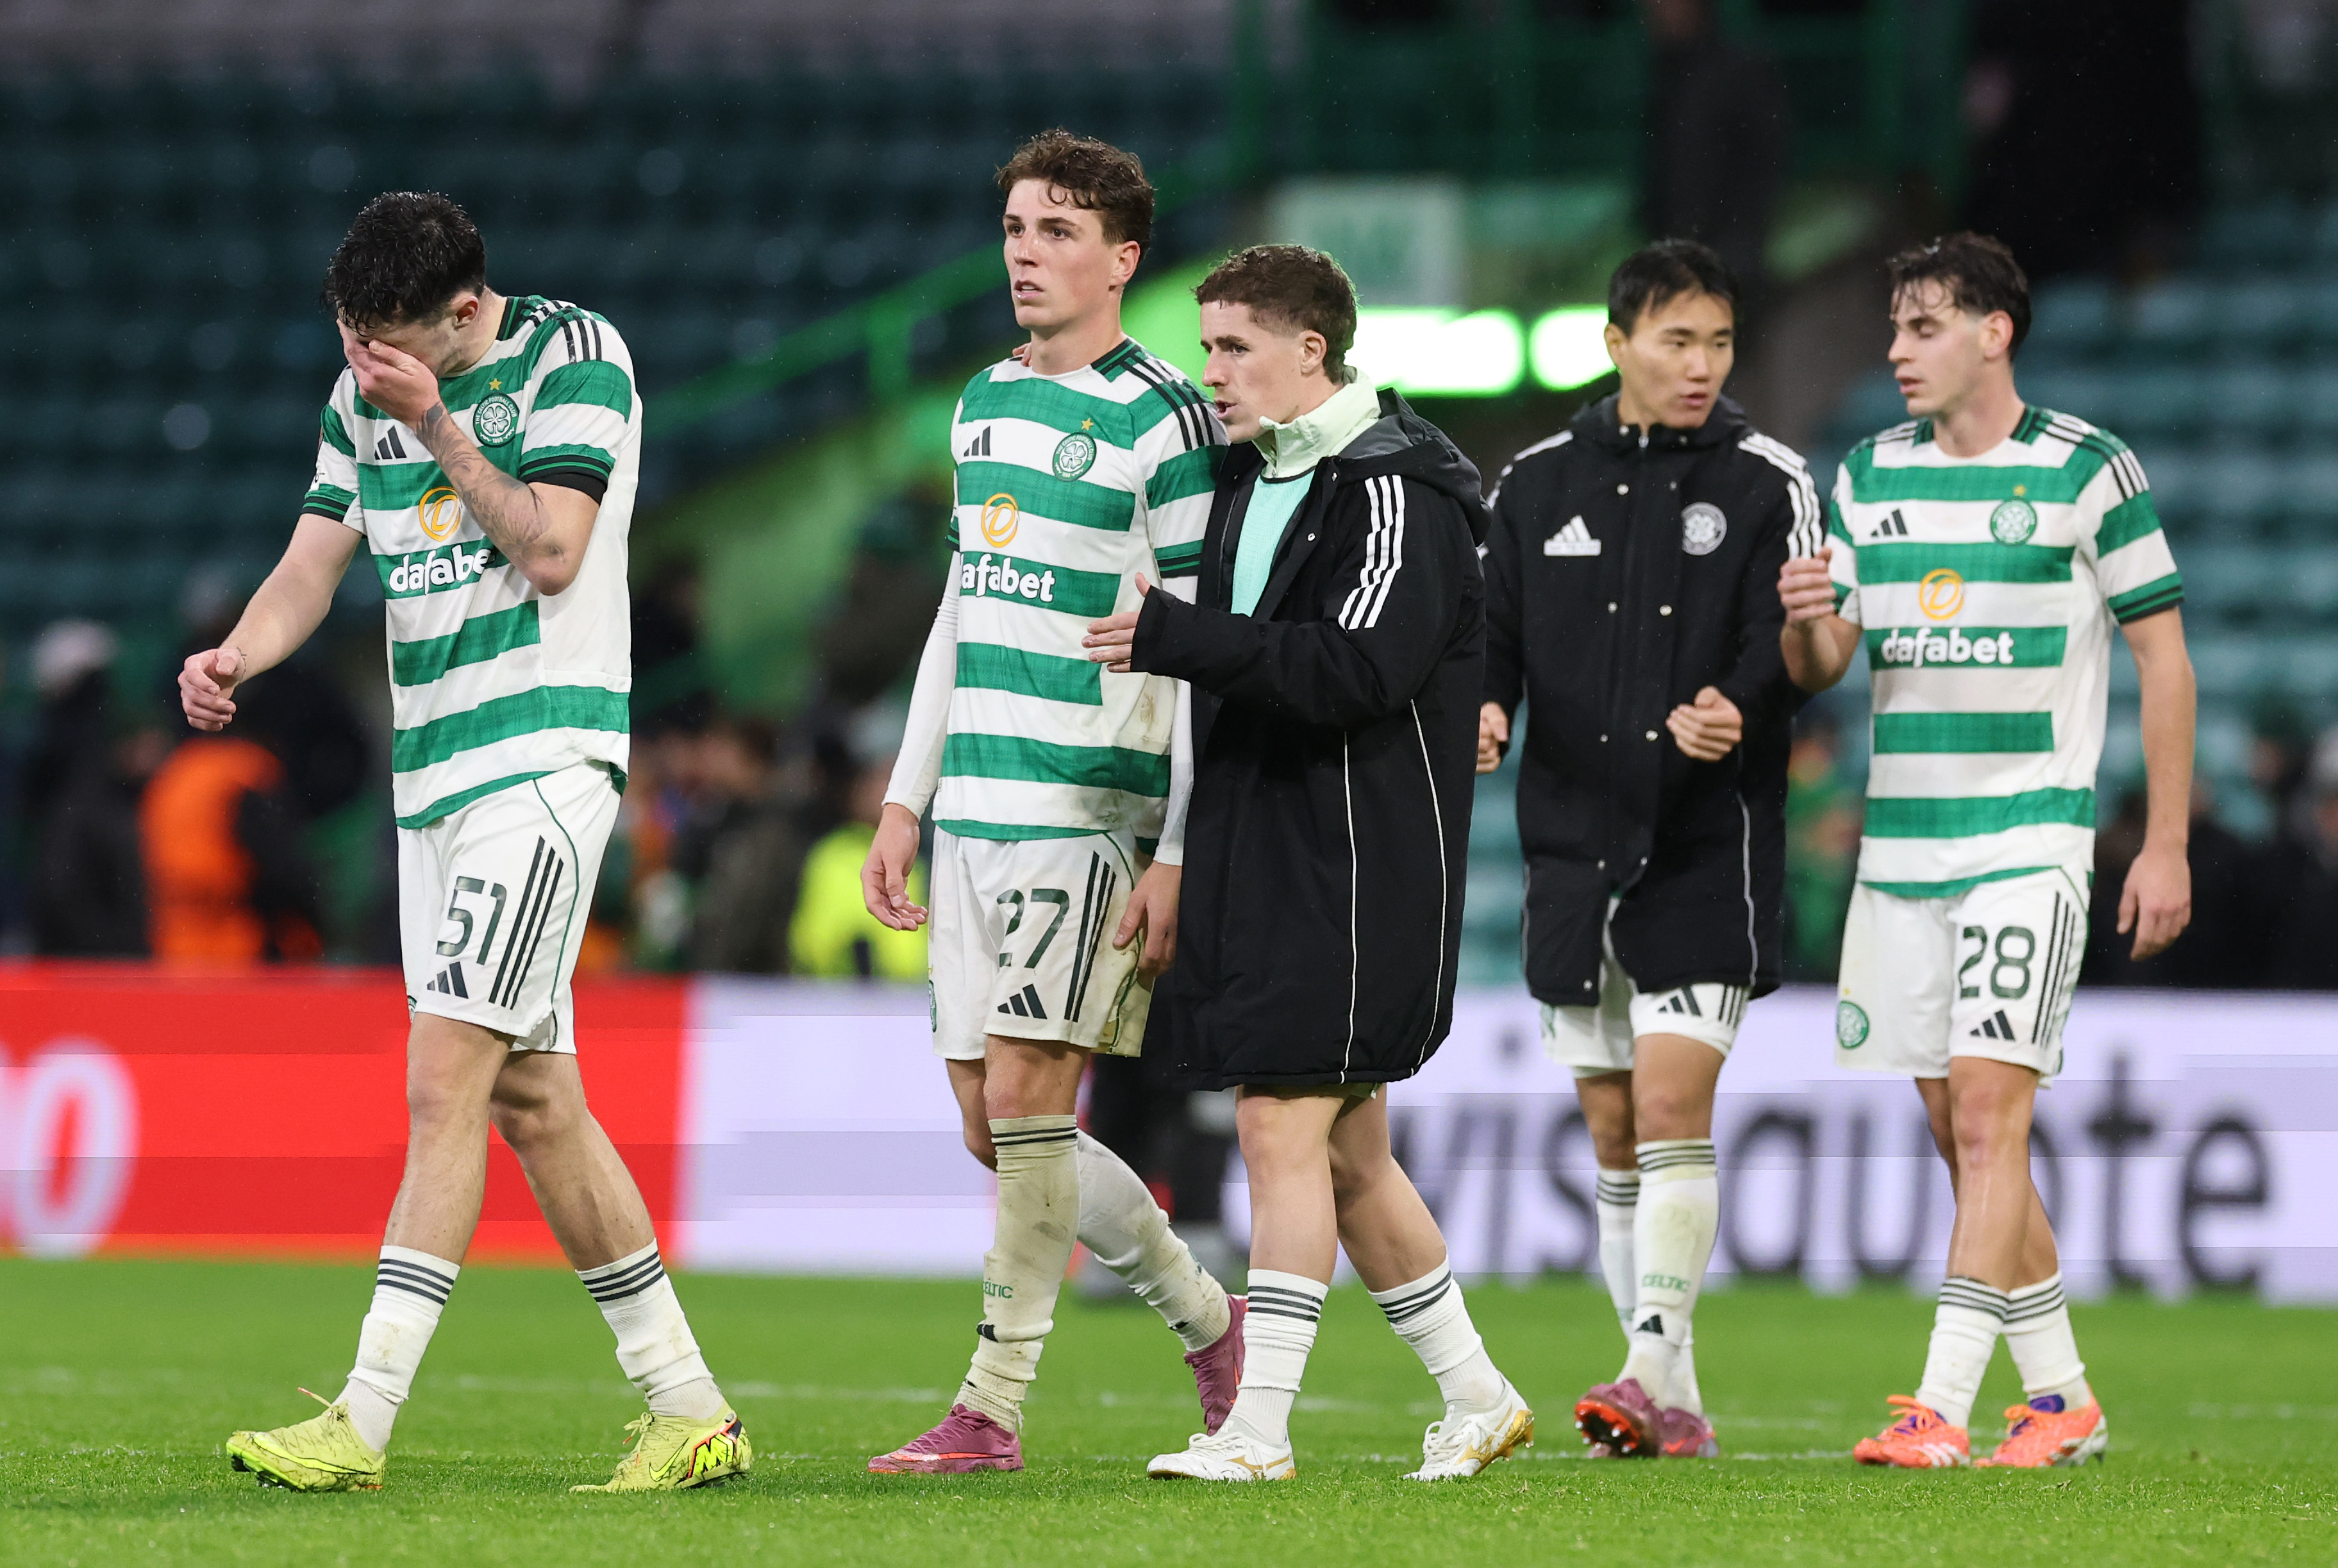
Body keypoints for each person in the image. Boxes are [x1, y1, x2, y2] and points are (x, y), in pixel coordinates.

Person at [188, 192, 749, 1493]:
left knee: (444, 1078)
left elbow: (554, 550)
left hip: (543, 759)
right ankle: (691, 1405)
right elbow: (313, 562)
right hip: (432, 777)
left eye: (387, 342)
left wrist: (434, 423)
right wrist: (240, 657)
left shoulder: (573, 359)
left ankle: (362, 1416)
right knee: (535, 1099)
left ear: (462, 310)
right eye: (347, 339)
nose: (361, 367)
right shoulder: (359, 399)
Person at [1086, 244, 1532, 1484]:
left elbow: (1359, 671)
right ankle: (1480, 1396)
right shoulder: (1254, 479)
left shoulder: (1398, 489)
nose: (1211, 372)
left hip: (1356, 861)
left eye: (1233, 347)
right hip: (1265, 847)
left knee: (1280, 1125)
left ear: (1310, 352)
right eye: (1208, 344)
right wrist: (1179, 847)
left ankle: (1259, 1430)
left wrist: (1176, 636)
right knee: (1348, 1154)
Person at [1778, 232, 2194, 1469]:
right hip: (1900, 853)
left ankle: (1938, 1406)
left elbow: (2162, 656)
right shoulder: (1865, 473)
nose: (1897, 350)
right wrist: (1807, 629)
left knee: (1987, 1122)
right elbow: (1827, 666)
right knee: (1959, 1125)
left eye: (1922, 326)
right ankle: (2063, 1397)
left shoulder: (2086, 470)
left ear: (1993, 332)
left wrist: (2162, 842)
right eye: (1895, 330)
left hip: (2029, 839)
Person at [860, 130, 1242, 1474]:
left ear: (1123, 258)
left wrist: (1181, 844)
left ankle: (990, 1408)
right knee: (996, 1124)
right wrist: (907, 796)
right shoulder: (978, 404)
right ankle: (1211, 1318)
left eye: (1059, 231)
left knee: (1030, 1096)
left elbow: (1203, 640)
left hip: (1093, 800)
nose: (1027, 251)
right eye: (1018, 227)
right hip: (975, 797)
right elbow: (961, 611)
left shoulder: (1167, 418)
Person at [1476, 238, 1820, 1460]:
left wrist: (1746, 701)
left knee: (1674, 1107)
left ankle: (1637, 1368)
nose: (1703, 365)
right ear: (1616, 343)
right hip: (1573, 846)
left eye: (1720, 343)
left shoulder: (1770, 477)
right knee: (1614, 1132)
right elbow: (1490, 634)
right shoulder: (1531, 484)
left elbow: (1795, 644)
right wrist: (1487, 703)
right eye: (1679, 340)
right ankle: (1670, 1395)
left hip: (1702, 844)